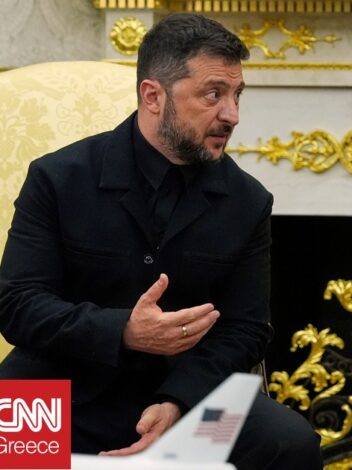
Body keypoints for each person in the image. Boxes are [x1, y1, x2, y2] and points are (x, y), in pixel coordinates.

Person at [0, 13, 322, 470]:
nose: (231, 114)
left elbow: (246, 329)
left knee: (287, 443)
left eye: (236, 95)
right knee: (8, 446)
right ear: (153, 96)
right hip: (59, 386)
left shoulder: (248, 201)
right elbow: (17, 304)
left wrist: (178, 402)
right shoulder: (58, 178)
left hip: (189, 397)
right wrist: (123, 331)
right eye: (213, 94)